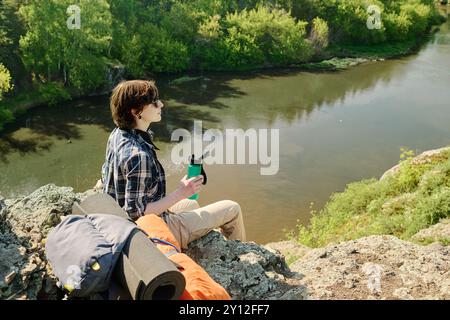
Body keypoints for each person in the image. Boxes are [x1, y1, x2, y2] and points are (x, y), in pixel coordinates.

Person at [98, 80, 246, 250]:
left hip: (122, 223)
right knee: (232, 209)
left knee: (191, 204)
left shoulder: (118, 134)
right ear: (135, 111)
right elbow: (136, 213)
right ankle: (237, 257)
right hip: (148, 232)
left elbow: (108, 177)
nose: (161, 104)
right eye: (153, 102)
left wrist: (184, 194)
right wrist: (181, 192)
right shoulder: (138, 156)